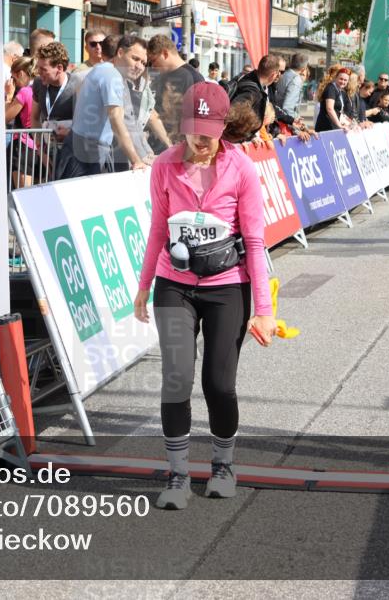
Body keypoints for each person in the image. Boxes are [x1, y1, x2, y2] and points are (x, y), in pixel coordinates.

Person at [133, 82, 277, 510]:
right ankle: (177, 476)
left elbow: (254, 240)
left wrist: (264, 311)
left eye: (207, 131)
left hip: (226, 286)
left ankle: (223, 465)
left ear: (223, 126)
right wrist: (143, 286)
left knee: (218, 383)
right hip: (174, 284)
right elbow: (159, 229)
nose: (199, 139)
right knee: (176, 378)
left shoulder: (241, 170)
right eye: (192, 129)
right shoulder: (165, 166)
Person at [66, 35, 150, 178]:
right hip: (86, 155)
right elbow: (117, 120)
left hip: (85, 151)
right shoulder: (112, 75)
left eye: (143, 62)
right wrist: (136, 160)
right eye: (135, 59)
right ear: (120, 53)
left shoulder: (106, 71)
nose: (139, 66)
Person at [32, 42, 80, 177]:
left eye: (43, 69)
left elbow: (85, 122)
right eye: (38, 68)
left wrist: (70, 134)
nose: (38, 72)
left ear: (59, 68)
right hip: (48, 151)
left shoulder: (78, 85)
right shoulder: (38, 83)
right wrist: (41, 150)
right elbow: (34, 117)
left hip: (72, 152)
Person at [148, 34, 205, 148]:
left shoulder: (195, 78)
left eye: (153, 61)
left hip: (181, 148)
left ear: (165, 53)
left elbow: (200, 119)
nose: (153, 66)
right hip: (159, 146)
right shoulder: (161, 78)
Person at [228, 54, 284, 142]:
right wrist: (244, 139)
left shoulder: (248, 78)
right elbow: (234, 114)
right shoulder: (252, 91)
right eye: (277, 74)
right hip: (234, 140)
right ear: (273, 75)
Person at [4, 56, 37, 188]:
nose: (13, 83)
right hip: (38, 145)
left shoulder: (24, 92)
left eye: (14, 78)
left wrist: (9, 96)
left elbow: (5, 117)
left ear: (21, 73)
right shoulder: (39, 88)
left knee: (22, 193)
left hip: (23, 146)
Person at [274, 52, 307, 128]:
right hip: (285, 124)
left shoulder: (284, 74)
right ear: (303, 69)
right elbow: (288, 107)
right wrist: (297, 128)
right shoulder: (295, 79)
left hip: (277, 119)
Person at [315, 67, 351, 132]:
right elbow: (330, 109)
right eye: (341, 79)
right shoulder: (331, 88)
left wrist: (350, 124)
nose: (343, 82)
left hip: (333, 127)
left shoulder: (340, 91)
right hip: (326, 127)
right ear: (336, 78)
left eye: (345, 80)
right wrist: (339, 125)